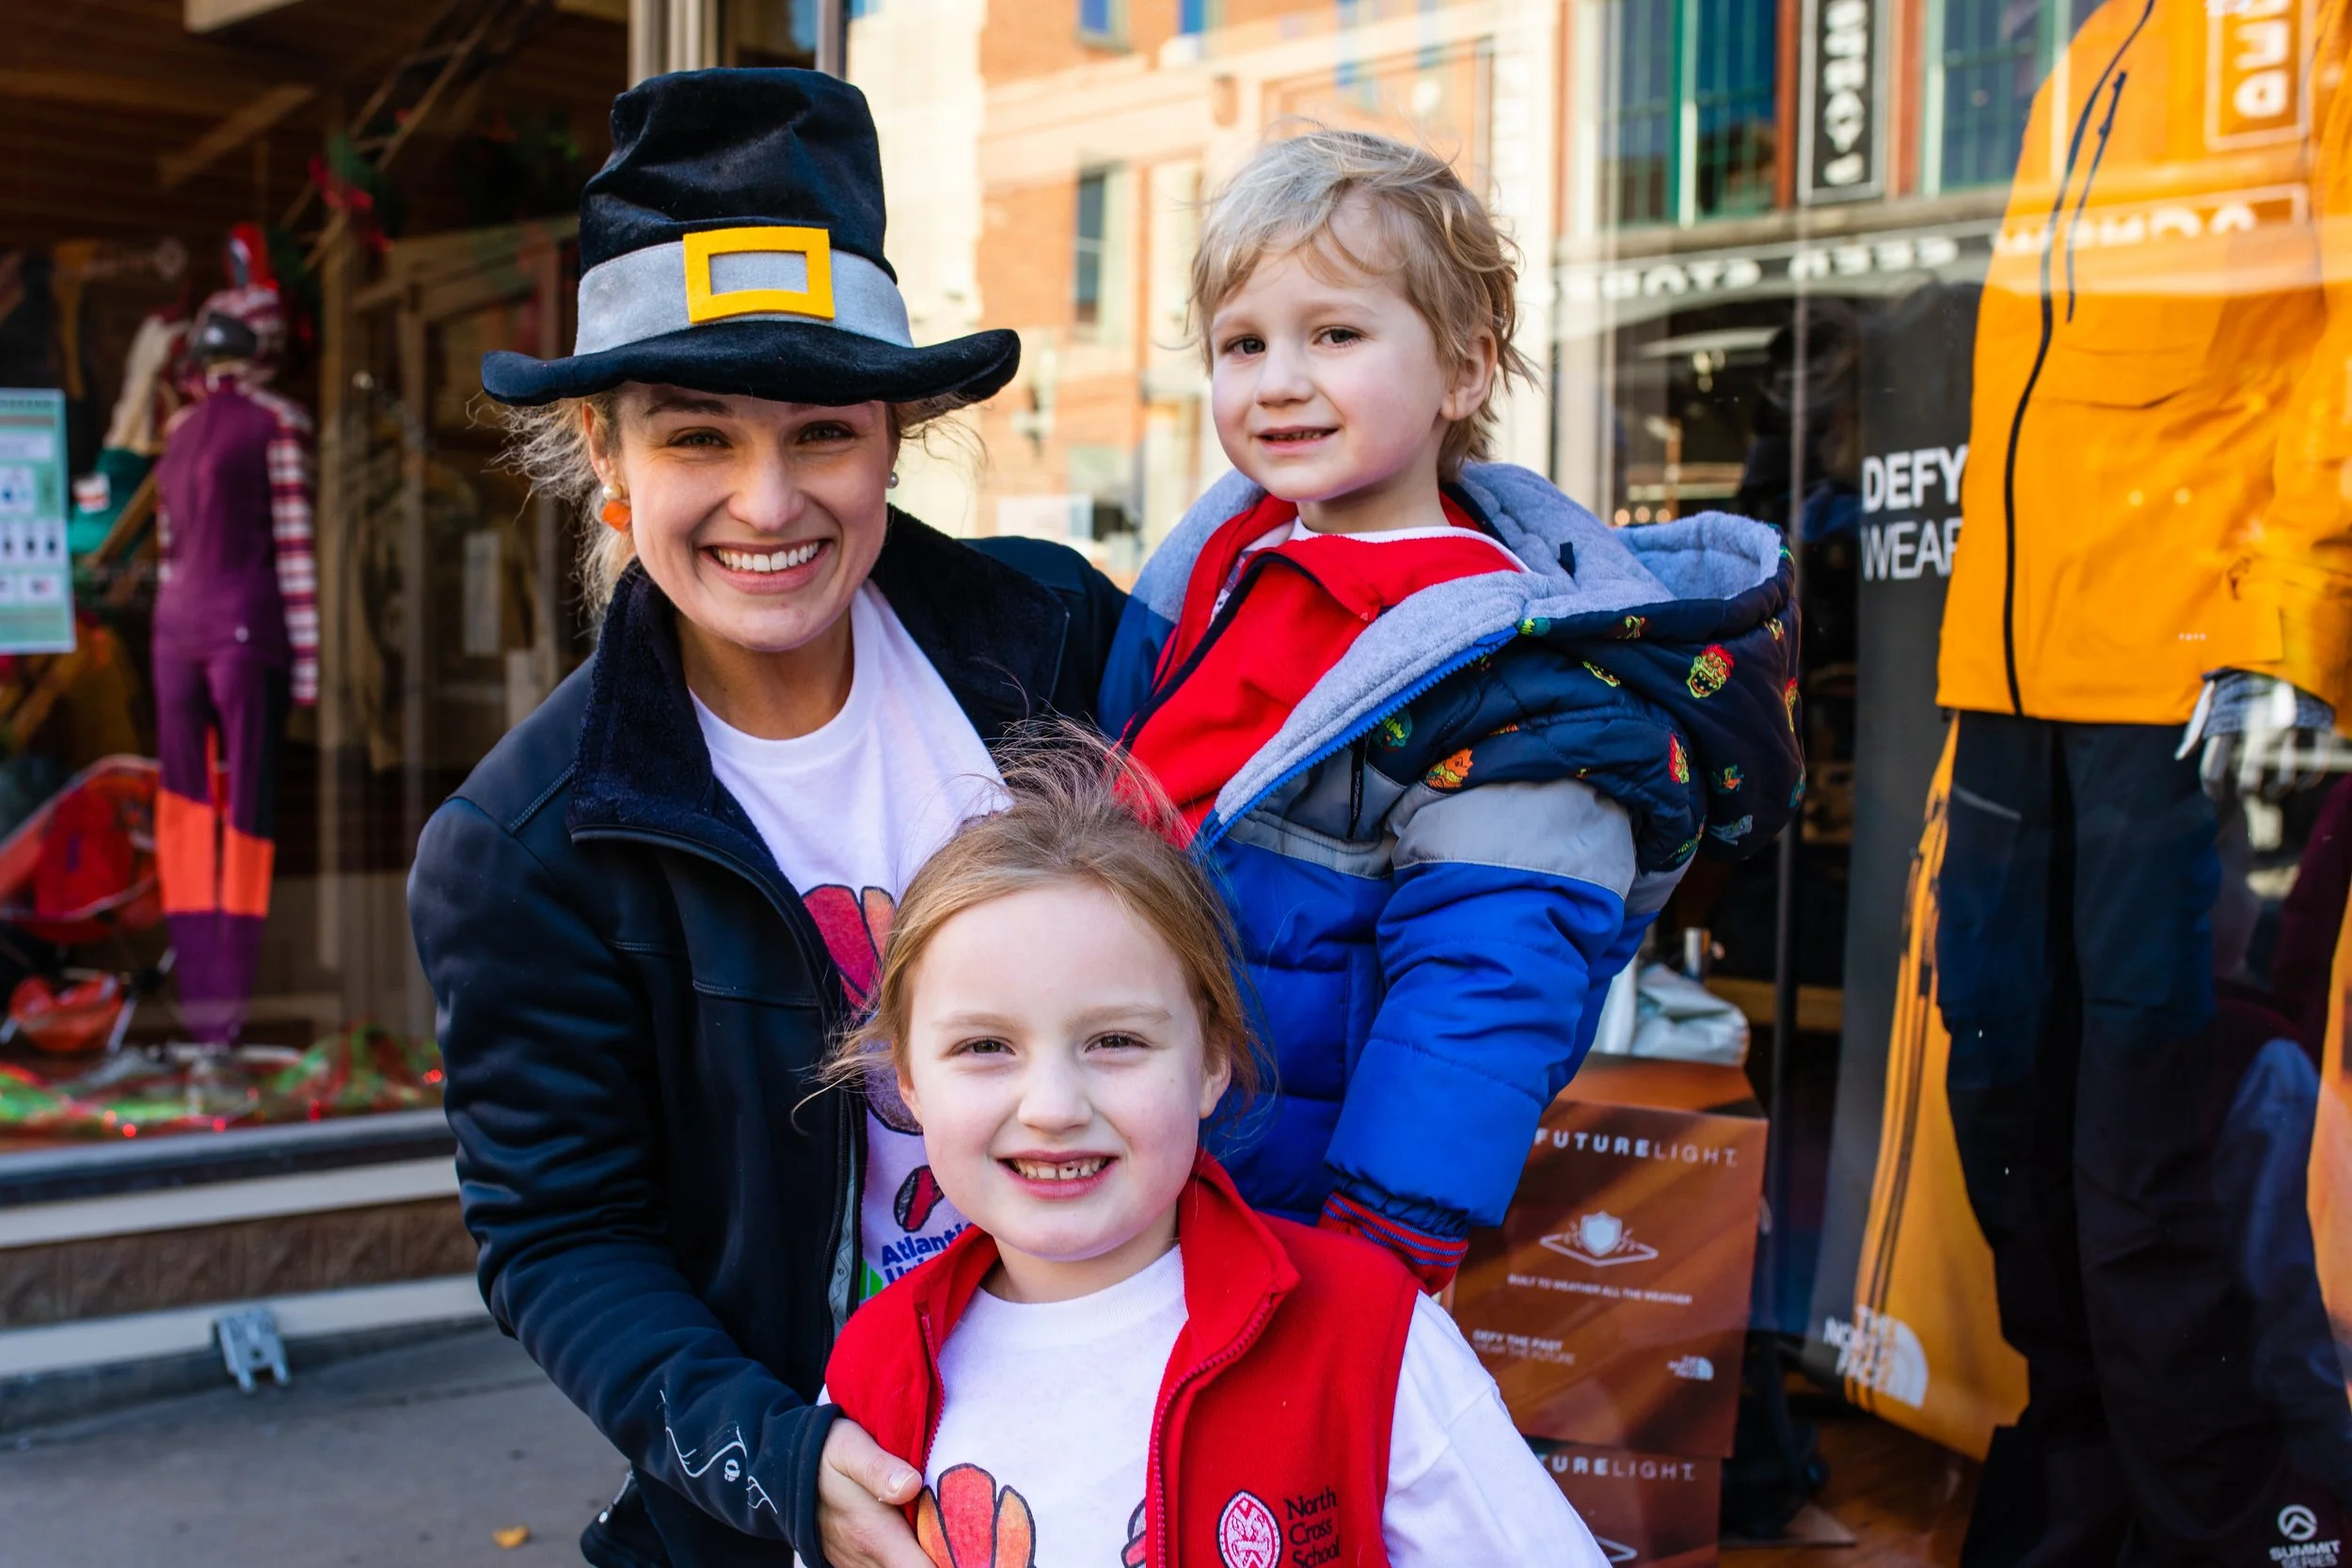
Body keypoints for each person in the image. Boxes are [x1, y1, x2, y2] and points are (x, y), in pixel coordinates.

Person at [406, 70, 1122, 1568]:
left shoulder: (1062, 643)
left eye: (821, 431)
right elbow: (561, 1236)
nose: (768, 500)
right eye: (695, 438)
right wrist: (778, 1459)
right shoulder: (526, 846)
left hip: (1137, 1443)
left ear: (894, 434)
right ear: (604, 456)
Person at [1100, 129, 1804, 1289]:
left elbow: (1482, 985)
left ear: (1465, 372)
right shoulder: (1229, 561)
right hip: (1143, 1139)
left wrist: (1383, 1246)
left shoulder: (1519, 667)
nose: (1278, 377)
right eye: (1243, 342)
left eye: (1333, 333)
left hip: (1287, 1198)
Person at [818, 738, 1607, 1567]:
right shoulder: (874, 1371)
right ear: (907, 1081)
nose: (1052, 1107)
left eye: (1115, 1039)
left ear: (1212, 1062)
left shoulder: (1367, 1333)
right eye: (985, 1046)